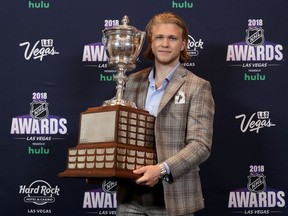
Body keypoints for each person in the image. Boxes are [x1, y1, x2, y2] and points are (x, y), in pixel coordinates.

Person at [116, 12, 215, 216]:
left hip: (173, 198)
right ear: (151, 43)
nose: (165, 44)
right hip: (130, 196)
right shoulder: (132, 81)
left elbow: (200, 145)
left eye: (172, 38)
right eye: (159, 37)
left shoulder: (197, 86)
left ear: (183, 44)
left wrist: (161, 170)